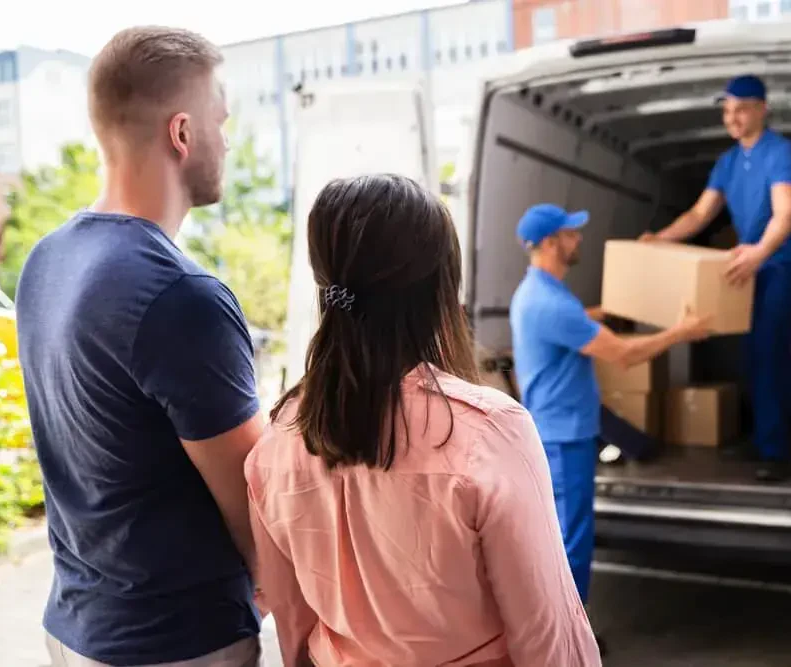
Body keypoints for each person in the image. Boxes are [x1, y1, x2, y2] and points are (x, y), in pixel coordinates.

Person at [245, 174, 601, 667]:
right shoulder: (489, 431)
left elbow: (292, 622)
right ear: (440, 291)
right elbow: (549, 639)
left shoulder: (278, 442)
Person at [16, 27, 263, 666]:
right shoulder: (181, 296)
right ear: (182, 134)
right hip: (177, 643)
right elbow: (256, 505)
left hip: (76, 629)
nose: (227, 140)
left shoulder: (47, 259)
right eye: (220, 120)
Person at [509, 203, 712, 640]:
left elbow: (582, 319)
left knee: (567, 533)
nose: (578, 239)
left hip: (563, 427)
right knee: (572, 541)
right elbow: (624, 355)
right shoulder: (550, 303)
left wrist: (627, 303)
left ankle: (559, 631)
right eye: (570, 233)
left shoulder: (541, 290)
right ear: (550, 243)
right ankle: (567, 639)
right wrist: (682, 332)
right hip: (563, 436)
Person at [640, 74, 791, 482]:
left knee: (768, 352)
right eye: (727, 111)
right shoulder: (728, 162)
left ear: (762, 109)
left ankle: (775, 452)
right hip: (745, 266)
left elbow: (786, 212)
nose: (732, 118)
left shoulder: (780, 154)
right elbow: (701, 214)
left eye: (741, 109)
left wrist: (761, 252)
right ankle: (764, 436)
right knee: (752, 355)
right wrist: (656, 239)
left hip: (781, 263)